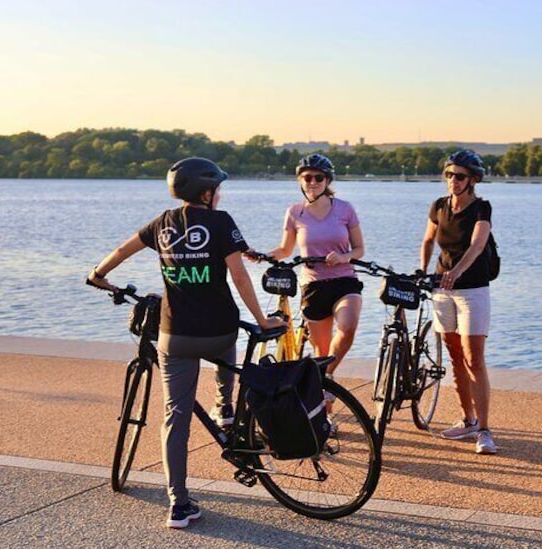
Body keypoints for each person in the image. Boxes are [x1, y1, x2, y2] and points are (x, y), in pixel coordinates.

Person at [86, 157, 283, 529]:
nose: (220, 194)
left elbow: (121, 252)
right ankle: (225, 407)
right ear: (206, 193)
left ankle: (178, 503)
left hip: (175, 336)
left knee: (174, 418)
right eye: (218, 189)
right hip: (220, 331)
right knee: (227, 349)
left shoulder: (163, 223)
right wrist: (261, 319)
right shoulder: (221, 223)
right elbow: (239, 275)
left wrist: (98, 276)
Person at [262, 153, 365, 394]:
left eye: (319, 178)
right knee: (321, 351)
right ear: (300, 181)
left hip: (344, 280)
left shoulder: (344, 209)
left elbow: (359, 249)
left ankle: (328, 377)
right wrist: (261, 255)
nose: (313, 182)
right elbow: (285, 249)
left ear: (327, 181)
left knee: (348, 326)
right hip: (314, 285)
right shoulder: (295, 212)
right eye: (307, 178)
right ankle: (323, 404)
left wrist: (344, 256)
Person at [420, 149, 497, 455]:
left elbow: (478, 244)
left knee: (473, 357)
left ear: (473, 180)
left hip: (473, 290)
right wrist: (423, 272)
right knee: (455, 356)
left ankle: (485, 429)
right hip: (442, 289)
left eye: (460, 176)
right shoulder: (439, 206)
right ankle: (467, 418)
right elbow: (428, 240)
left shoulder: (482, 208)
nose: (453, 180)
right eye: (449, 175)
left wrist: (457, 272)